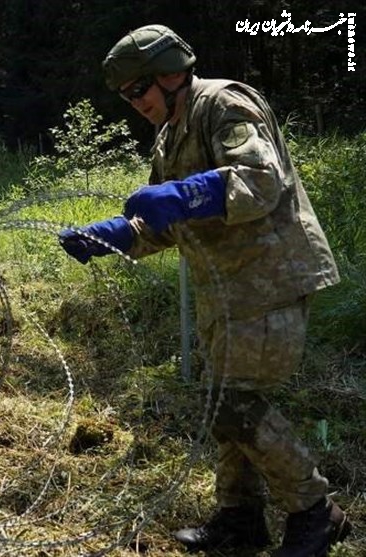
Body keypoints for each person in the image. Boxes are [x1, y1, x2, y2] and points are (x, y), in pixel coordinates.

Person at [59, 25, 350, 556]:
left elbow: (261, 182)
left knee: (237, 404)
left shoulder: (224, 104)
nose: (134, 104)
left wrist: (187, 192)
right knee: (225, 403)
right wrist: (117, 235)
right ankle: (240, 519)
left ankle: (315, 511)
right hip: (227, 289)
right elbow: (168, 223)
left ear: (170, 75)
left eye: (137, 91)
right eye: (125, 96)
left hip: (271, 278)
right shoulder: (169, 135)